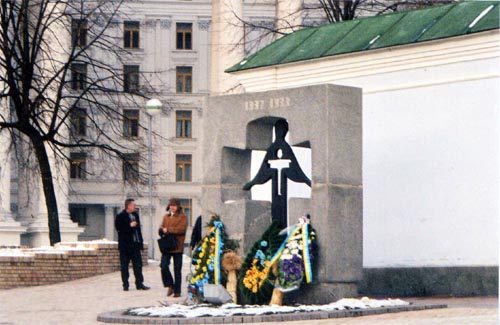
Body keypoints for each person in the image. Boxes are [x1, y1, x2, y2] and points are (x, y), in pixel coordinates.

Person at [115, 198, 150, 291]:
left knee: (138, 265)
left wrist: (140, 243)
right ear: (128, 206)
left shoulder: (135, 215)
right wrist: (129, 226)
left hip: (135, 245)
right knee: (124, 266)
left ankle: (139, 283)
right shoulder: (121, 216)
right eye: (133, 205)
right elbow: (119, 229)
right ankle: (125, 284)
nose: (135, 207)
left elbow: (138, 230)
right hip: (125, 245)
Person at [159, 198, 187, 297]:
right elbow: (161, 227)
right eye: (171, 205)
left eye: (174, 206)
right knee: (163, 265)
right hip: (167, 245)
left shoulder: (182, 217)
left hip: (177, 245)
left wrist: (168, 230)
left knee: (177, 269)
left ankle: (177, 291)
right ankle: (170, 284)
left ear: (178, 207)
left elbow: (181, 229)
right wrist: (161, 230)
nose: (172, 207)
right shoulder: (166, 217)